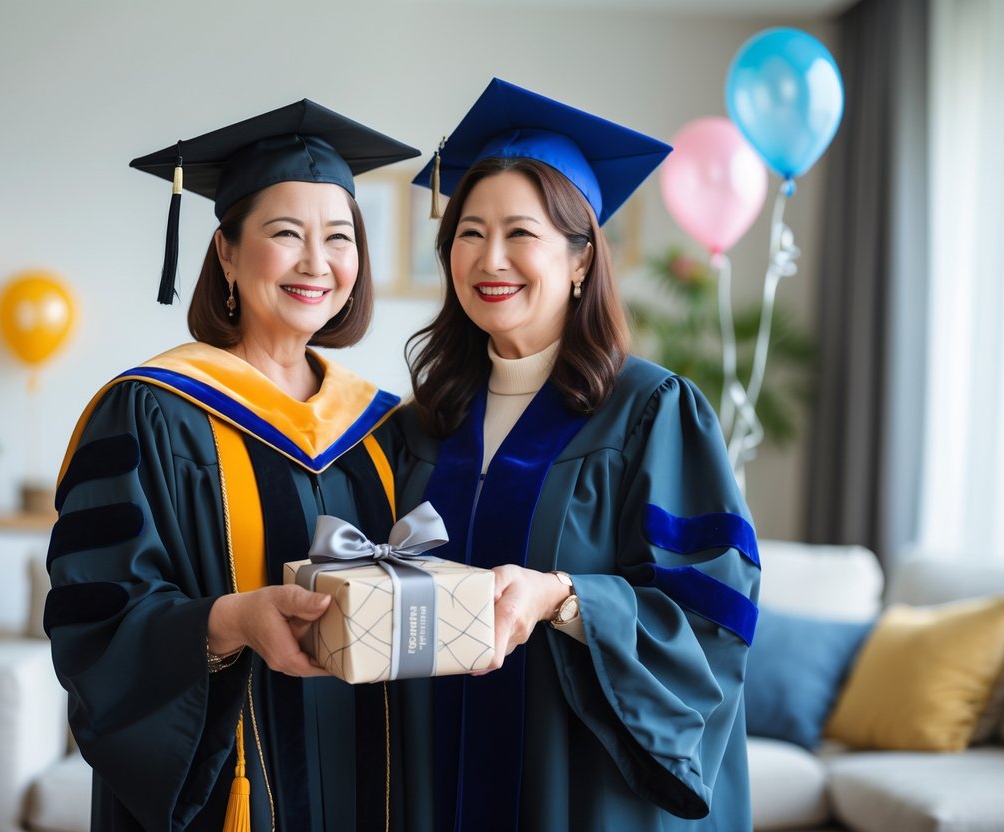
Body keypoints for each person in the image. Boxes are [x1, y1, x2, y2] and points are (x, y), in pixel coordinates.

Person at [45, 99, 422, 831]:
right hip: (228, 783)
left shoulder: (385, 427)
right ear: (226, 250)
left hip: (369, 774)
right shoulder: (151, 411)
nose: (318, 262)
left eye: (338, 238)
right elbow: (93, 616)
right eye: (286, 234)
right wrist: (229, 622)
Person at [396, 78, 762, 830]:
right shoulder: (423, 422)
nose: (489, 257)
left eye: (520, 233)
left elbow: (710, 610)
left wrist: (564, 598)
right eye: (468, 232)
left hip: (586, 785)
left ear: (580, 261)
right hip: (437, 777)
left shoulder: (653, 410)